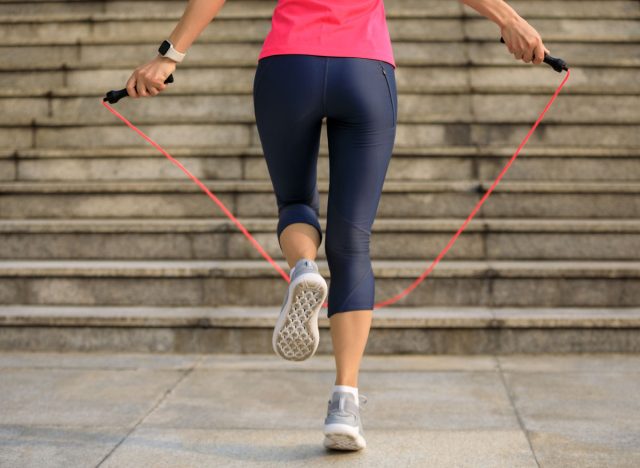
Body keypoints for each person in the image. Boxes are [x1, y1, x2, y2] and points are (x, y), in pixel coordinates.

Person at [126, 0, 550, 452]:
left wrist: (170, 54)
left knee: (294, 203)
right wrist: (510, 19)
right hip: (365, 70)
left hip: (288, 69)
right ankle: (344, 403)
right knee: (352, 241)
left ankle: (304, 267)